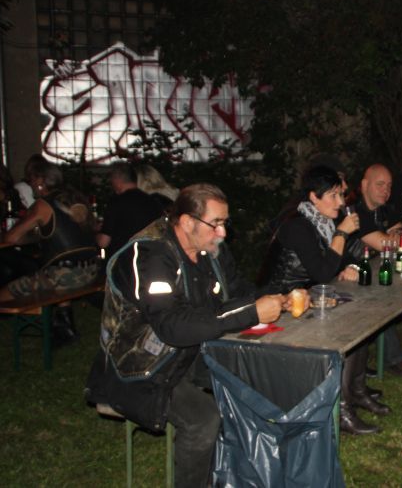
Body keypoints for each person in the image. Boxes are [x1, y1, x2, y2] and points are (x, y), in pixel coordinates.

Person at [85, 183, 295, 488]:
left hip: (192, 352)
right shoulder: (149, 256)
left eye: (225, 223)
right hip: (141, 368)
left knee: (258, 376)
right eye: (216, 223)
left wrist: (282, 297)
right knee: (203, 420)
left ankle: (240, 474)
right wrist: (252, 312)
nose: (223, 233)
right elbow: (173, 327)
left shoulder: (210, 248)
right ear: (186, 222)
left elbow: (238, 291)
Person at [258, 166, 391, 435]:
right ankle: (342, 409)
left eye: (341, 195)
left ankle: (356, 392)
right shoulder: (298, 226)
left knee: (360, 319)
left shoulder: (321, 222)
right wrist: (341, 234)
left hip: (305, 301)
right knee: (348, 327)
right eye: (333, 196)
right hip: (280, 308)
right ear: (313, 197)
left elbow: (339, 260)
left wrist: (348, 265)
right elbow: (321, 272)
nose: (341, 202)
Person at [0, 160, 98, 345]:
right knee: (53, 277)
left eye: (31, 180)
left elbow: (11, 238)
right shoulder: (75, 197)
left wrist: (28, 233)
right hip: (91, 269)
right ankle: (65, 327)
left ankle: (61, 329)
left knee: (4, 293)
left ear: (40, 181)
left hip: (66, 275)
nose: (30, 185)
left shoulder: (43, 205)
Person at [350, 164, 402, 376]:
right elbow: (385, 244)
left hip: (377, 270)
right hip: (352, 277)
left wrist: (394, 236)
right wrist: (392, 238)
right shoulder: (356, 212)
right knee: (383, 301)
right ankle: (395, 361)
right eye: (380, 184)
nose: (386, 190)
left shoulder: (384, 208)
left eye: (389, 186)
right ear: (365, 185)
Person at [96, 162, 165, 257]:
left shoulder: (116, 202)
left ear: (116, 179)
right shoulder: (153, 202)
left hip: (123, 259)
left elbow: (103, 242)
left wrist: (96, 235)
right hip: (151, 257)